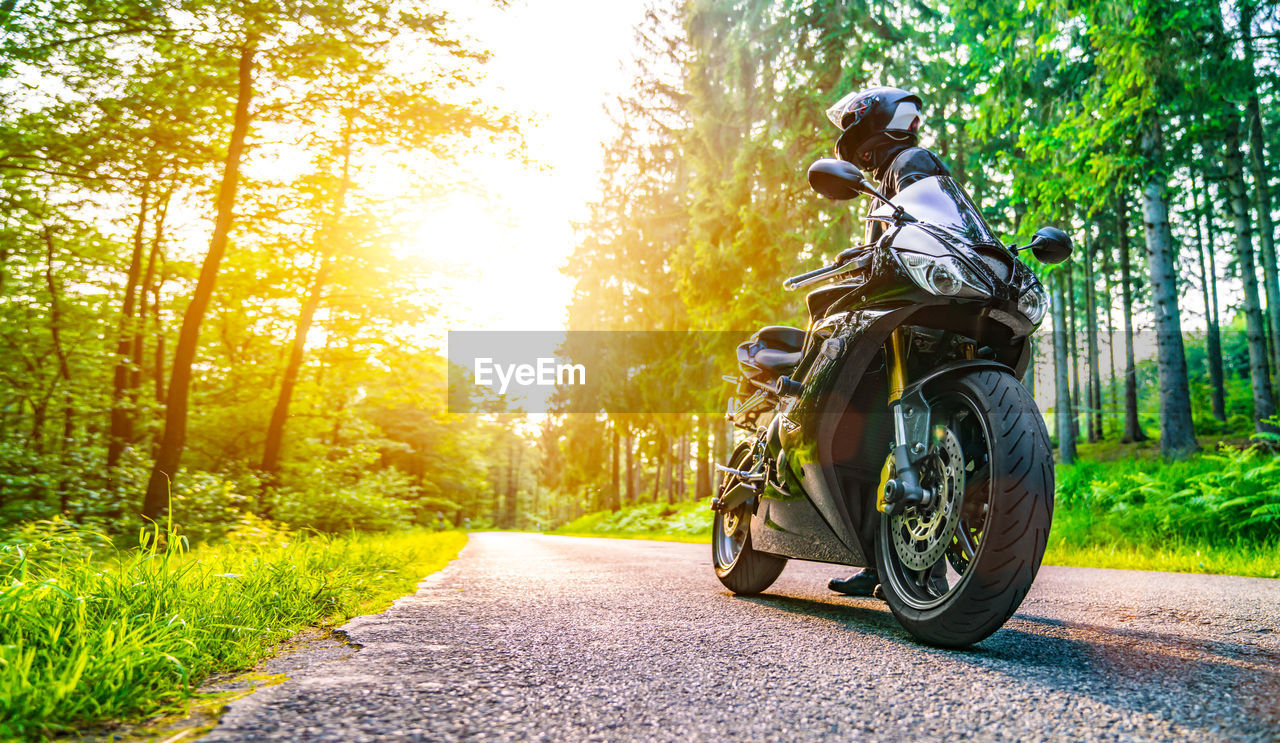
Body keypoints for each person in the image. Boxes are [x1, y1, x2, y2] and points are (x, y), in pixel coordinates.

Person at [823, 85, 952, 599]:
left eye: (852, 128)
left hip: (916, 317)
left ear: (869, 127)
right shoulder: (898, 173)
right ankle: (888, 564)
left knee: (889, 436)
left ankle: (912, 565)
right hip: (914, 315)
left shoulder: (911, 164)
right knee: (892, 443)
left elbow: (919, 231)